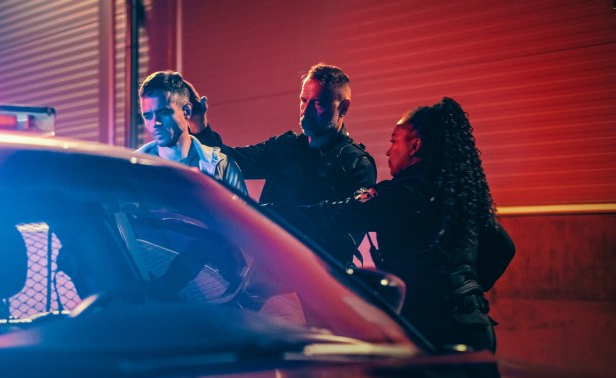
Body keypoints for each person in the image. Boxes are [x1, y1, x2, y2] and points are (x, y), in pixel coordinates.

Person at [297, 97, 510, 352]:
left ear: (415, 145)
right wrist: (461, 291)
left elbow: (333, 216)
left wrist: (265, 212)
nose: (388, 151)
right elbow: (503, 247)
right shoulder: (457, 197)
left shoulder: (401, 194)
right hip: (475, 329)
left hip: (431, 334)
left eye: (394, 141)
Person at [187, 63, 376, 263]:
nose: (306, 110)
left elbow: (346, 240)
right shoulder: (285, 146)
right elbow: (227, 161)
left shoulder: (356, 164)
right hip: (265, 267)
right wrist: (198, 124)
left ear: (344, 107)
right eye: (303, 100)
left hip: (315, 281)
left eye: (318, 103)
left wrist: (286, 218)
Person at [136, 71, 248, 196]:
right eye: (148, 116)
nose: (155, 122)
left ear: (186, 111)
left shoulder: (222, 166)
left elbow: (242, 215)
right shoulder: (130, 170)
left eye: (164, 112)